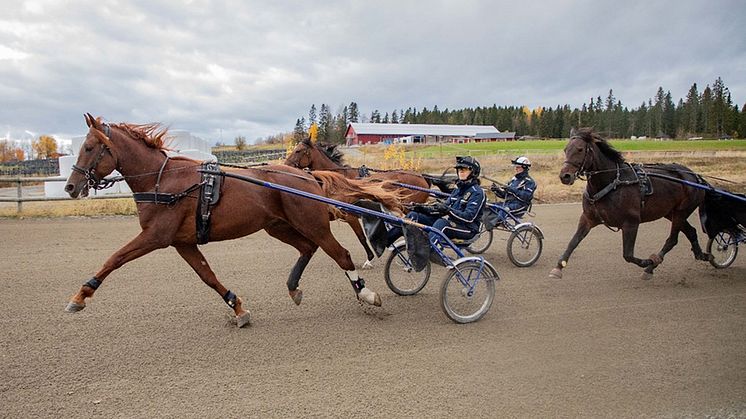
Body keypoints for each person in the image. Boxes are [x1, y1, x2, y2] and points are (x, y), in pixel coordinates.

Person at [386, 156, 486, 247]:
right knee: (413, 215)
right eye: (459, 169)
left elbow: (469, 217)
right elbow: (442, 208)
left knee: (441, 223)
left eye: (464, 169)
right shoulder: (457, 190)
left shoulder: (477, 193)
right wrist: (421, 208)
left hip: (468, 229)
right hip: (452, 223)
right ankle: (383, 242)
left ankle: (426, 251)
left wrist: (448, 210)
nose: (461, 172)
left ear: (473, 172)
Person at [489, 156, 536, 223]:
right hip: (508, 204)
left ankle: (494, 223)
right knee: (489, 206)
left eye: (518, 167)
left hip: (519, 206)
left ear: (524, 167)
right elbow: (505, 195)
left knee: (504, 210)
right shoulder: (514, 180)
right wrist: (497, 190)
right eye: (515, 167)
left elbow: (526, 197)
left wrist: (511, 189)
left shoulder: (529, 182)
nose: (516, 169)